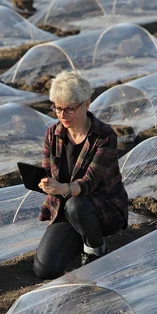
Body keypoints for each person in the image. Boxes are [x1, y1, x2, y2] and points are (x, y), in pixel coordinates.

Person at [34, 71, 129, 279]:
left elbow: (89, 183)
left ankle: (95, 249)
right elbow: (48, 171)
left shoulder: (104, 136)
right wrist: (46, 184)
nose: (62, 115)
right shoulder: (53, 134)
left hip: (103, 207)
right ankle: (81, 235)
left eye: (69, 109)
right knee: (44, 269)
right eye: (57, 108)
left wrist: (63, 188)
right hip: (66, 208)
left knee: (76, 205)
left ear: (86, 104)